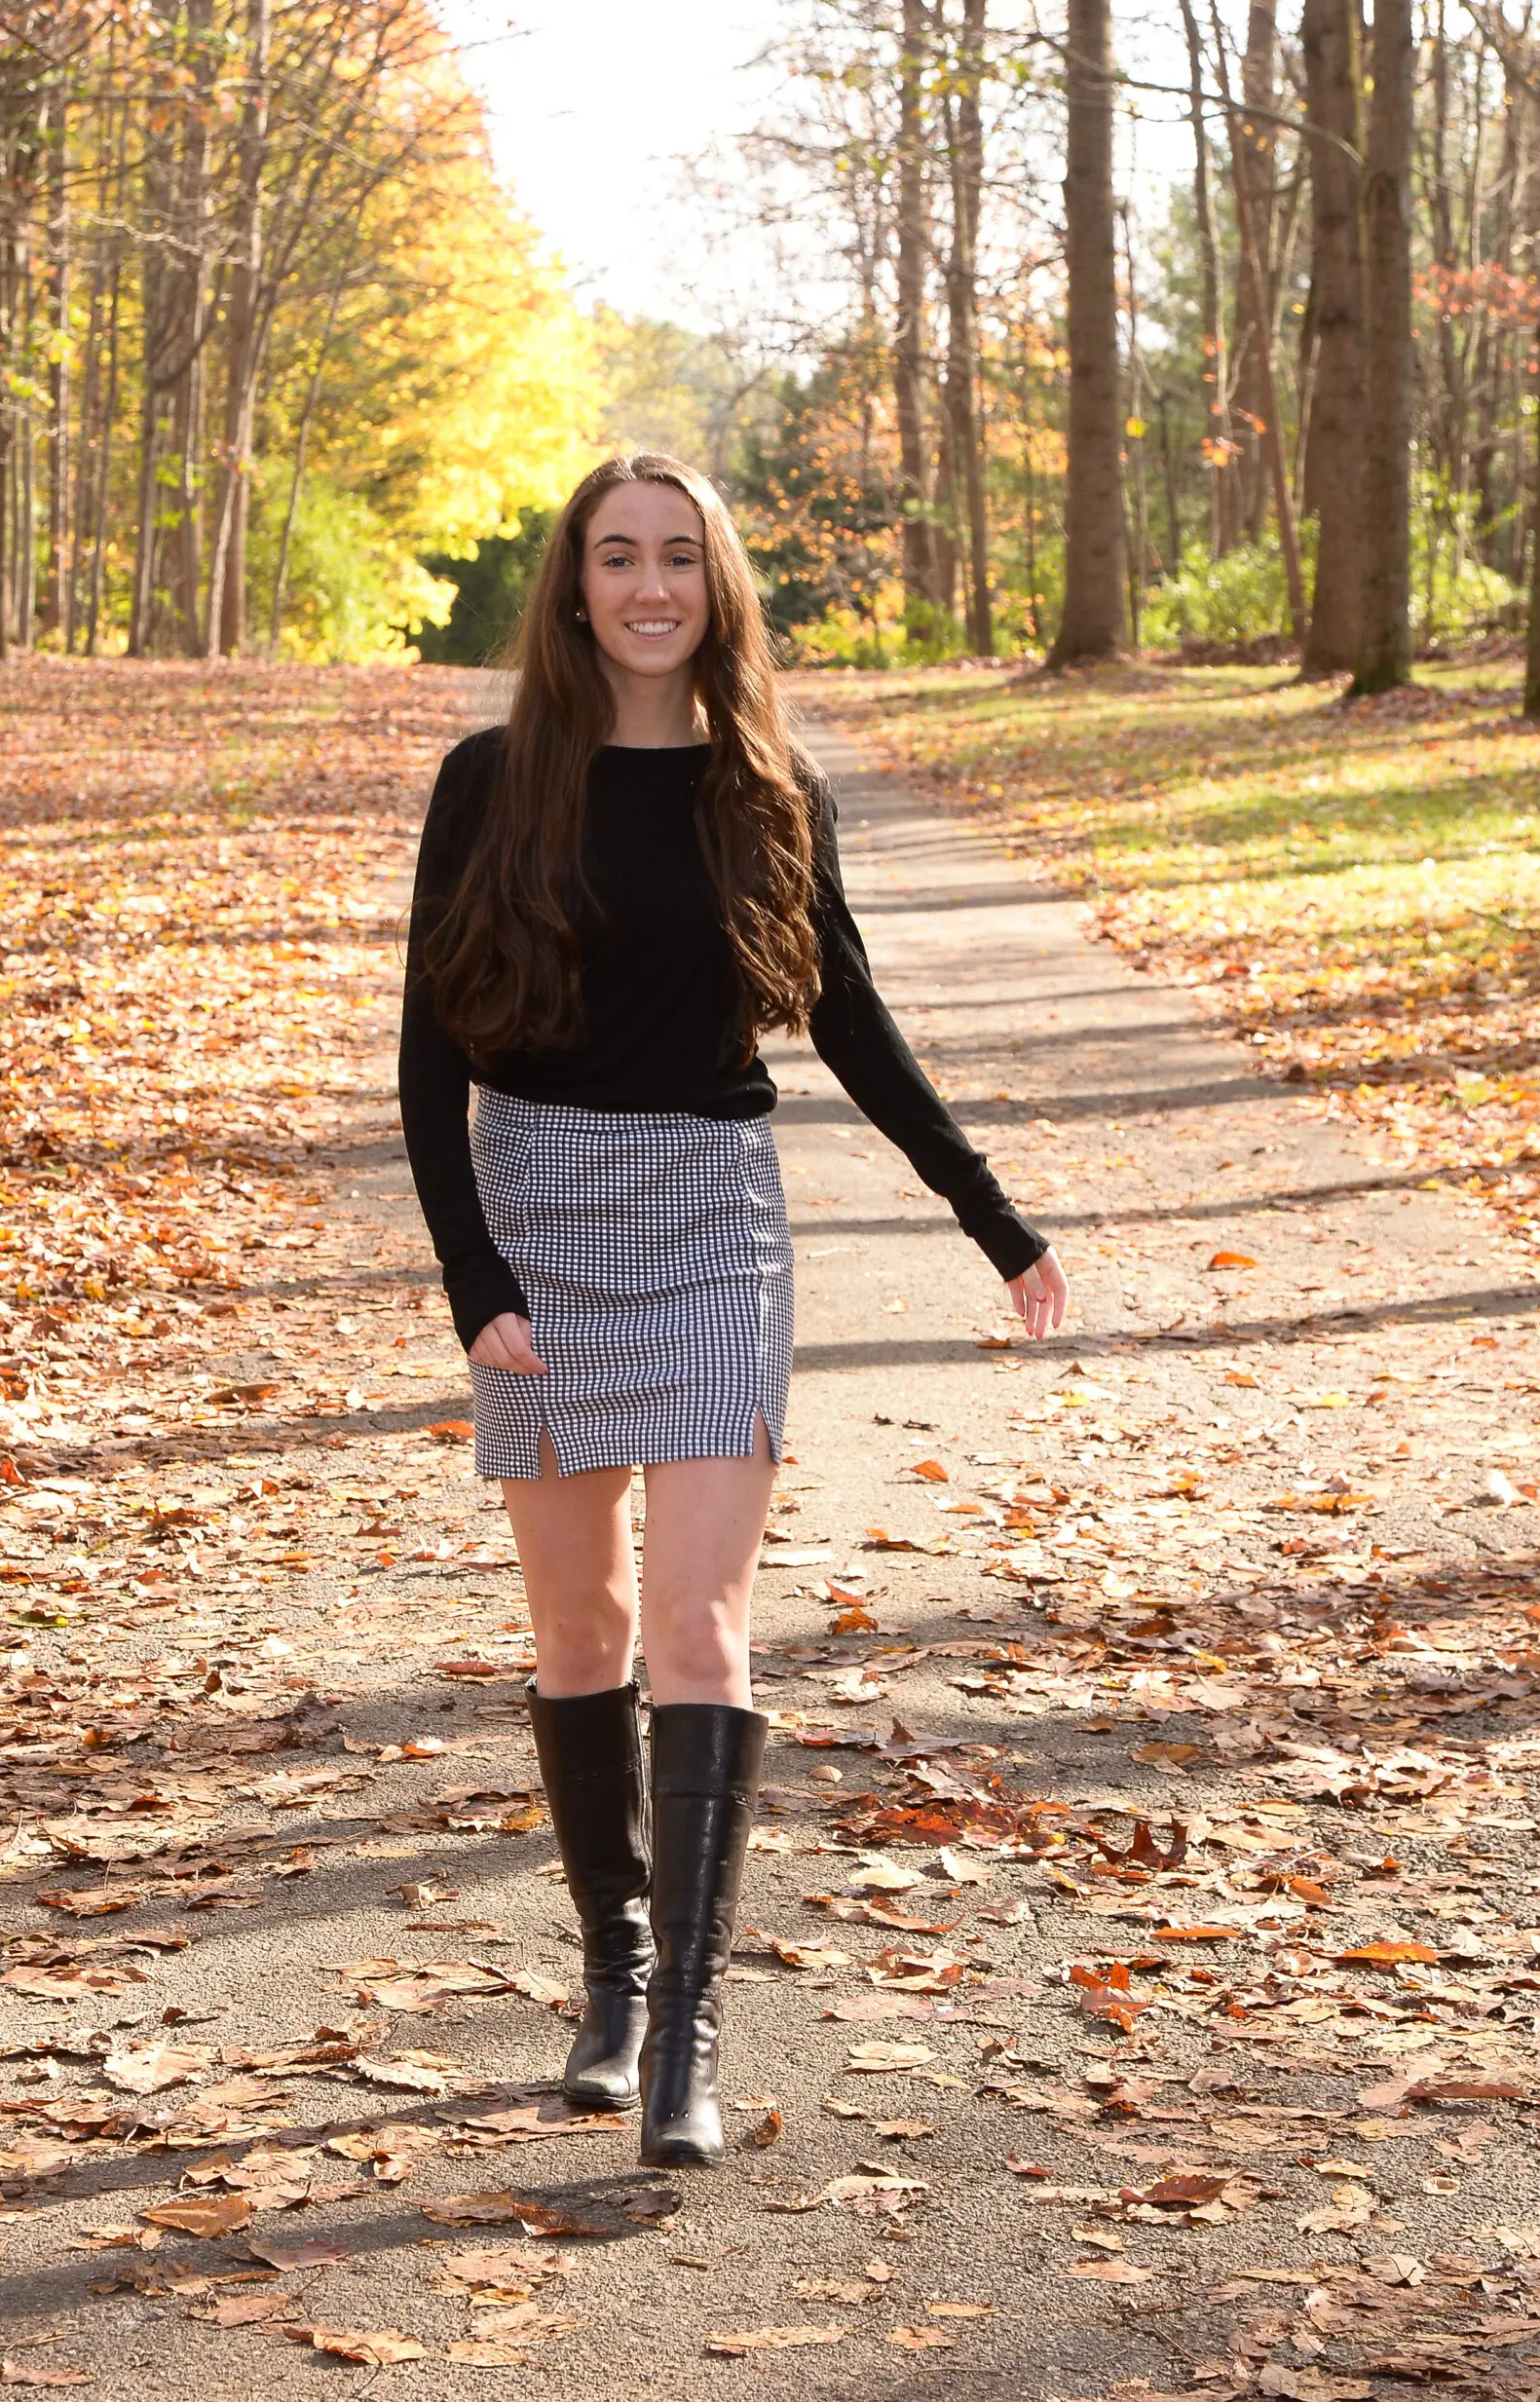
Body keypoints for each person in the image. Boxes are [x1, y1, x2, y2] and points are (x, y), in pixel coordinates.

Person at [397, 451, 1068, 2169]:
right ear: (572, 590)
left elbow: (853, 1021)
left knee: (698, 1628)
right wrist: (474, 1277)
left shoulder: (765, 790)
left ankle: (687, 2023)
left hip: (711, 1216)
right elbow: (425, 1063)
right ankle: (612, 1970)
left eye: (676, 559)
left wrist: (989, 1216)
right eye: (616, 558)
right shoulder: (488, 785)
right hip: (539, 1208)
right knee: (581, 1634)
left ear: (716, 587)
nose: (646, 587)